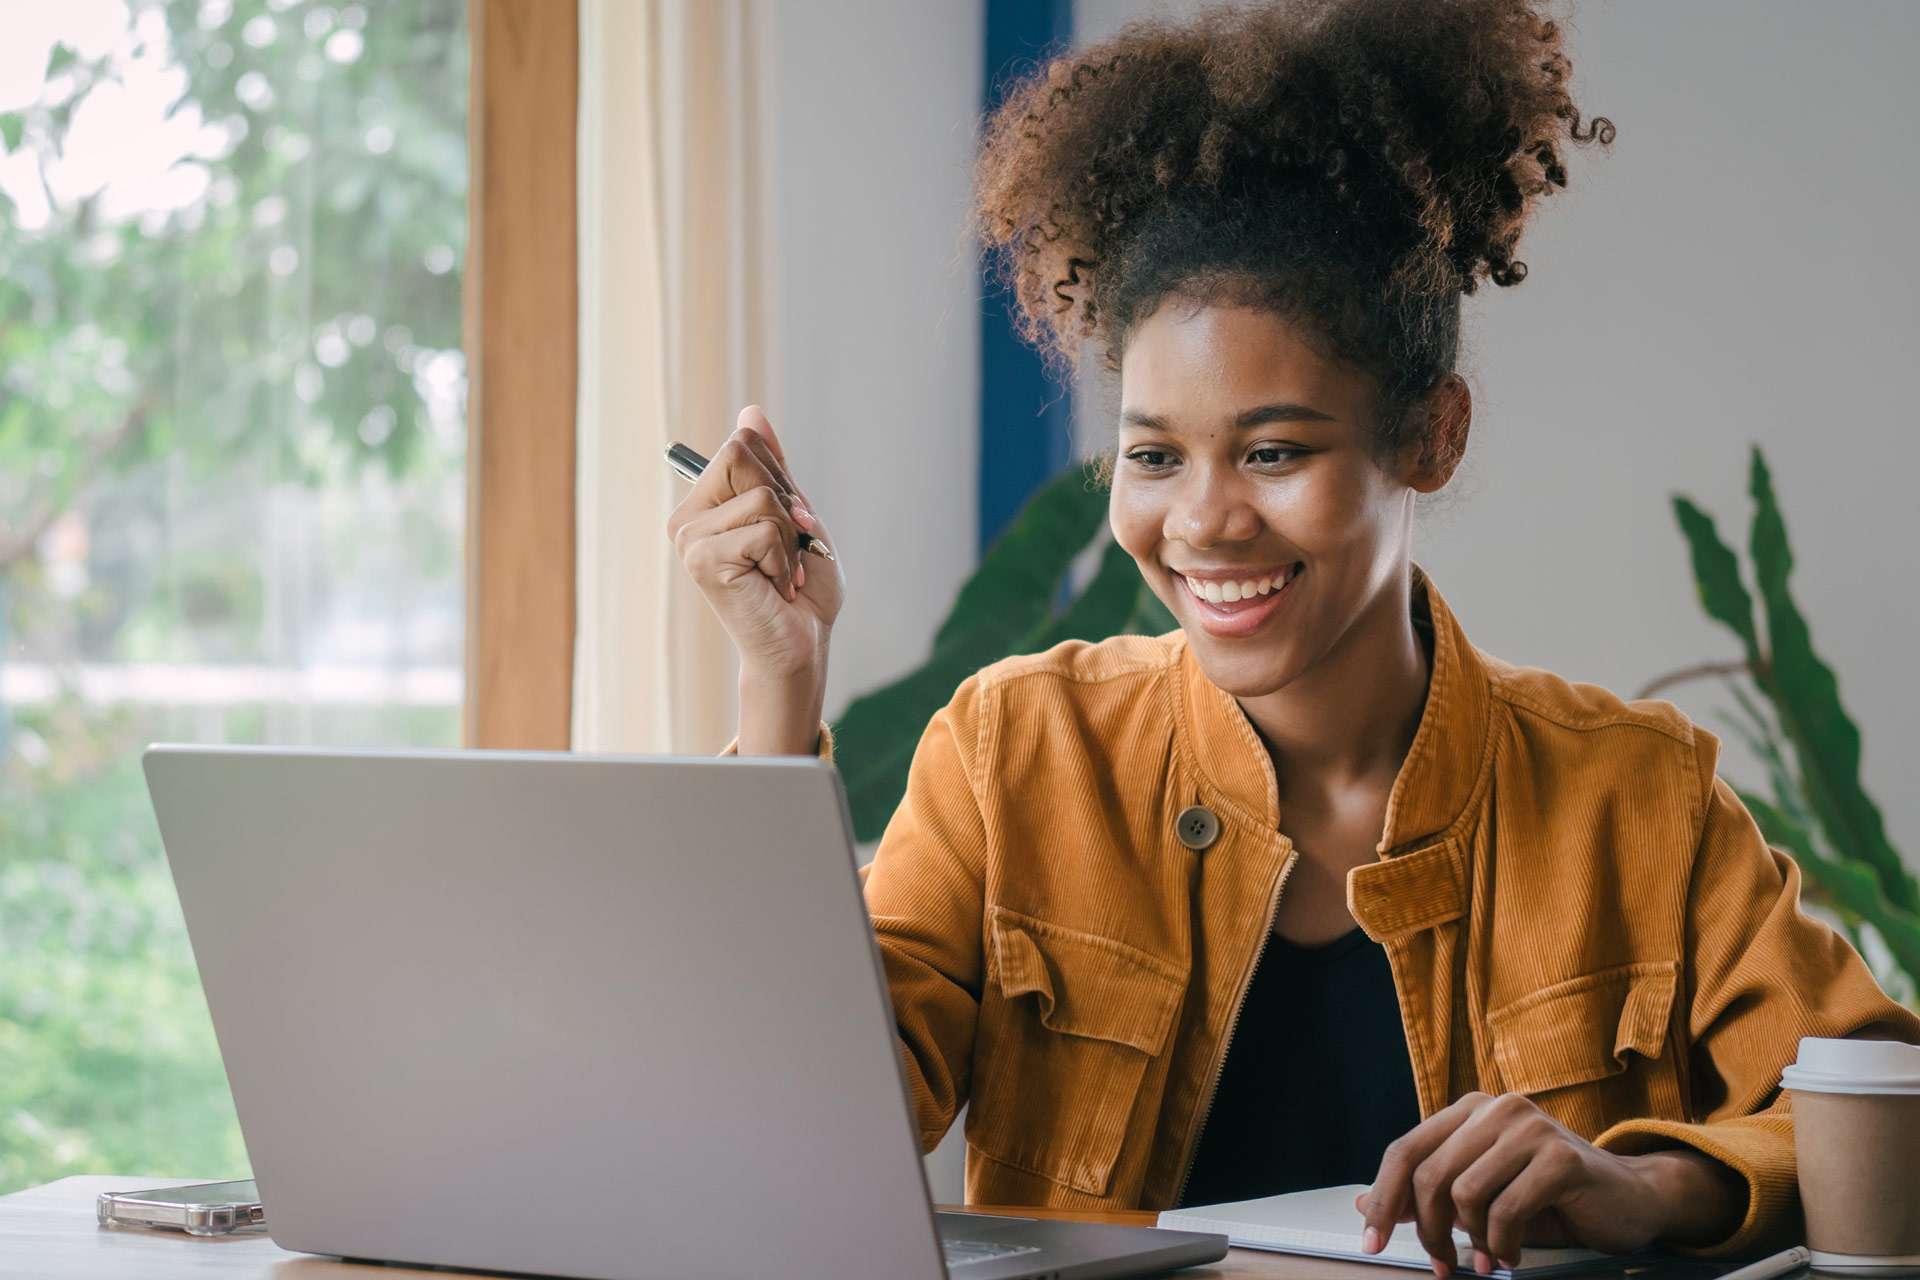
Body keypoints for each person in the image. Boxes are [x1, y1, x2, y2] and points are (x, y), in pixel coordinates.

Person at [667, 0, 1920, 1267]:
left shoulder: (1637, 796)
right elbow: (779, 1133)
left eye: (1273, 450)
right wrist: (780, 687)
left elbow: (1884, 1104)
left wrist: (1653, 1184)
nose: (1204, 520)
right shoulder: (1016, 755)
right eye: (1154, 453)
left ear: (1431, 434)